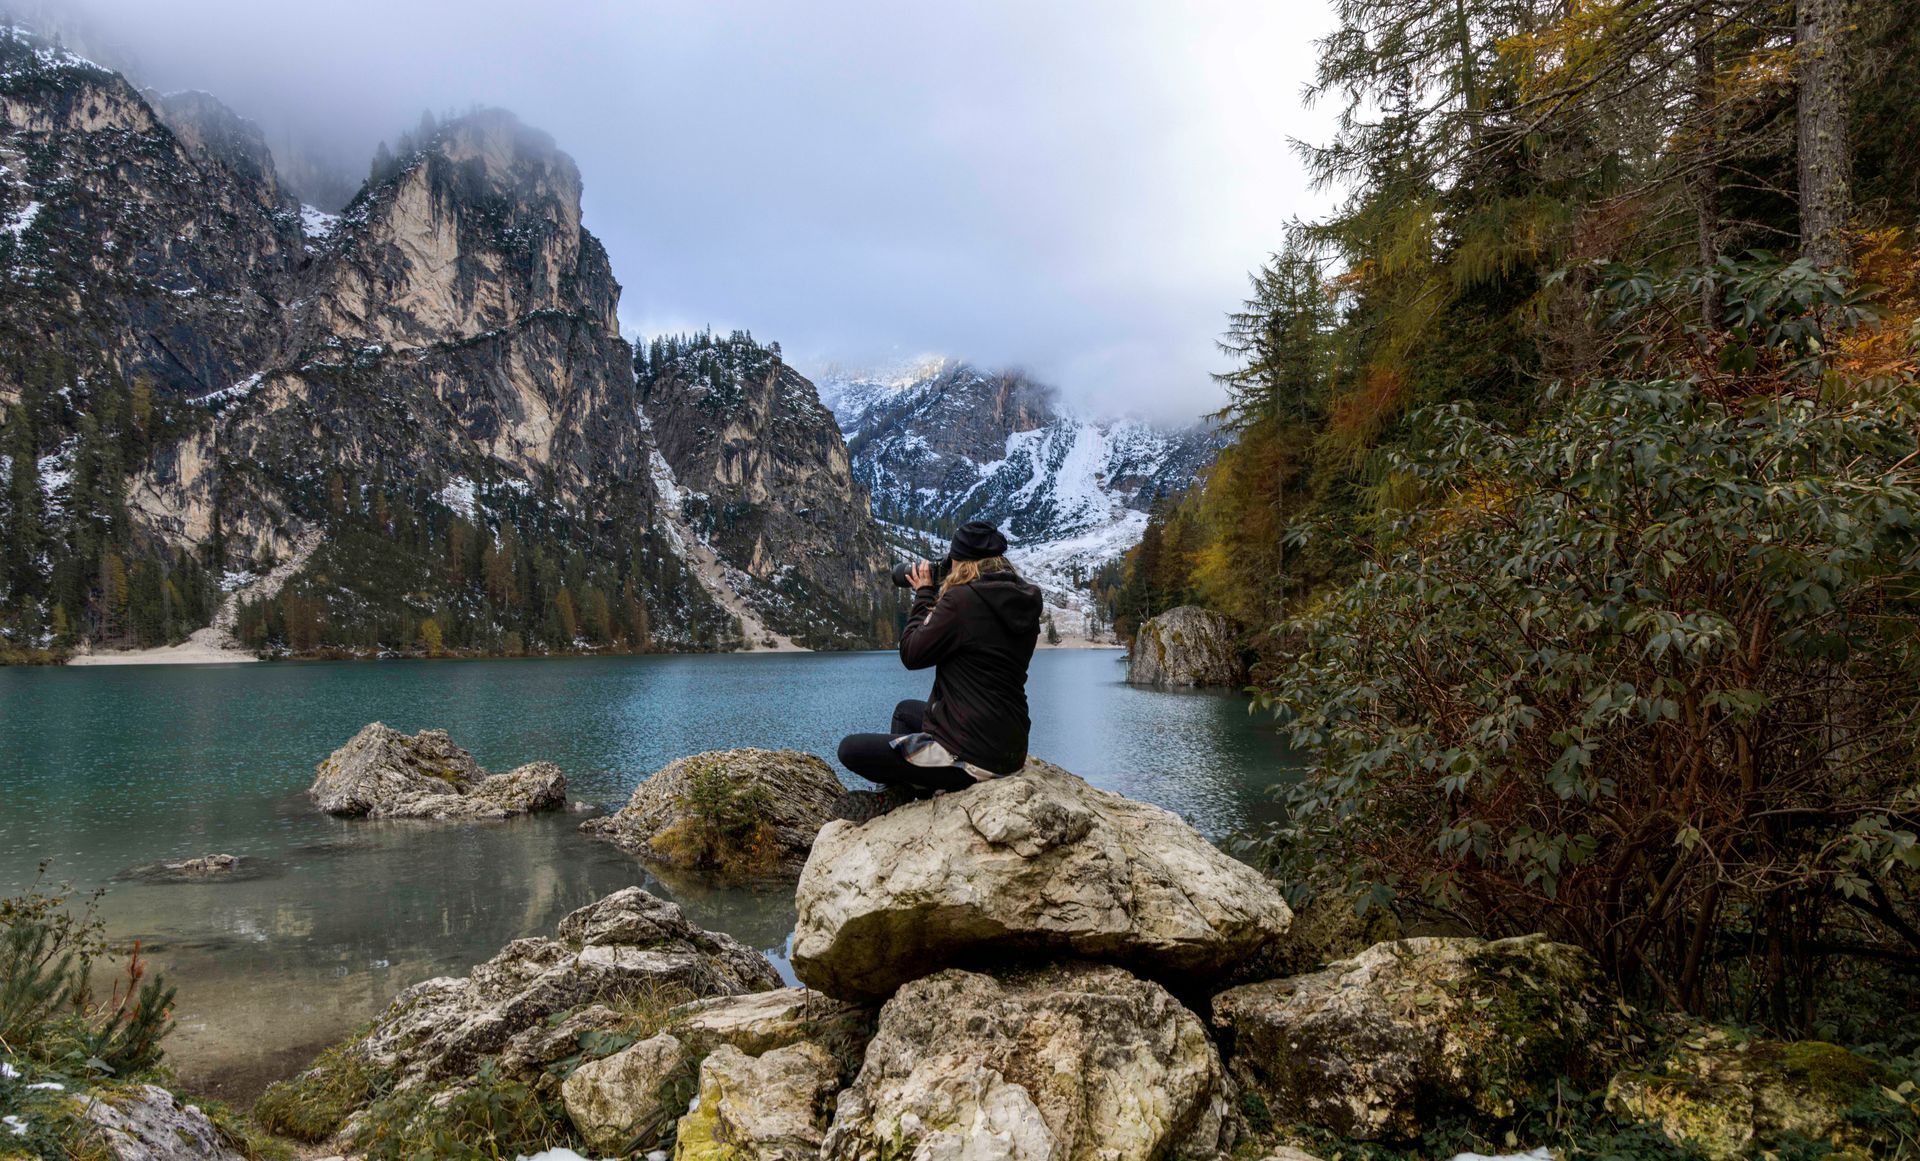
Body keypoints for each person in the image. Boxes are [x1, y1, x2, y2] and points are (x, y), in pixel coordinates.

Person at [837, 520, 1042, 793]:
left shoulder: (963, 601)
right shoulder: (1022, 599)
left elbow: (911, 654)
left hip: (972, 756)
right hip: (1009, 747)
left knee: (850, 749)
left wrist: (925, 594)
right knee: (905, 711)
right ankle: (908, 789)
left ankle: (905, 794)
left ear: (962, 563)